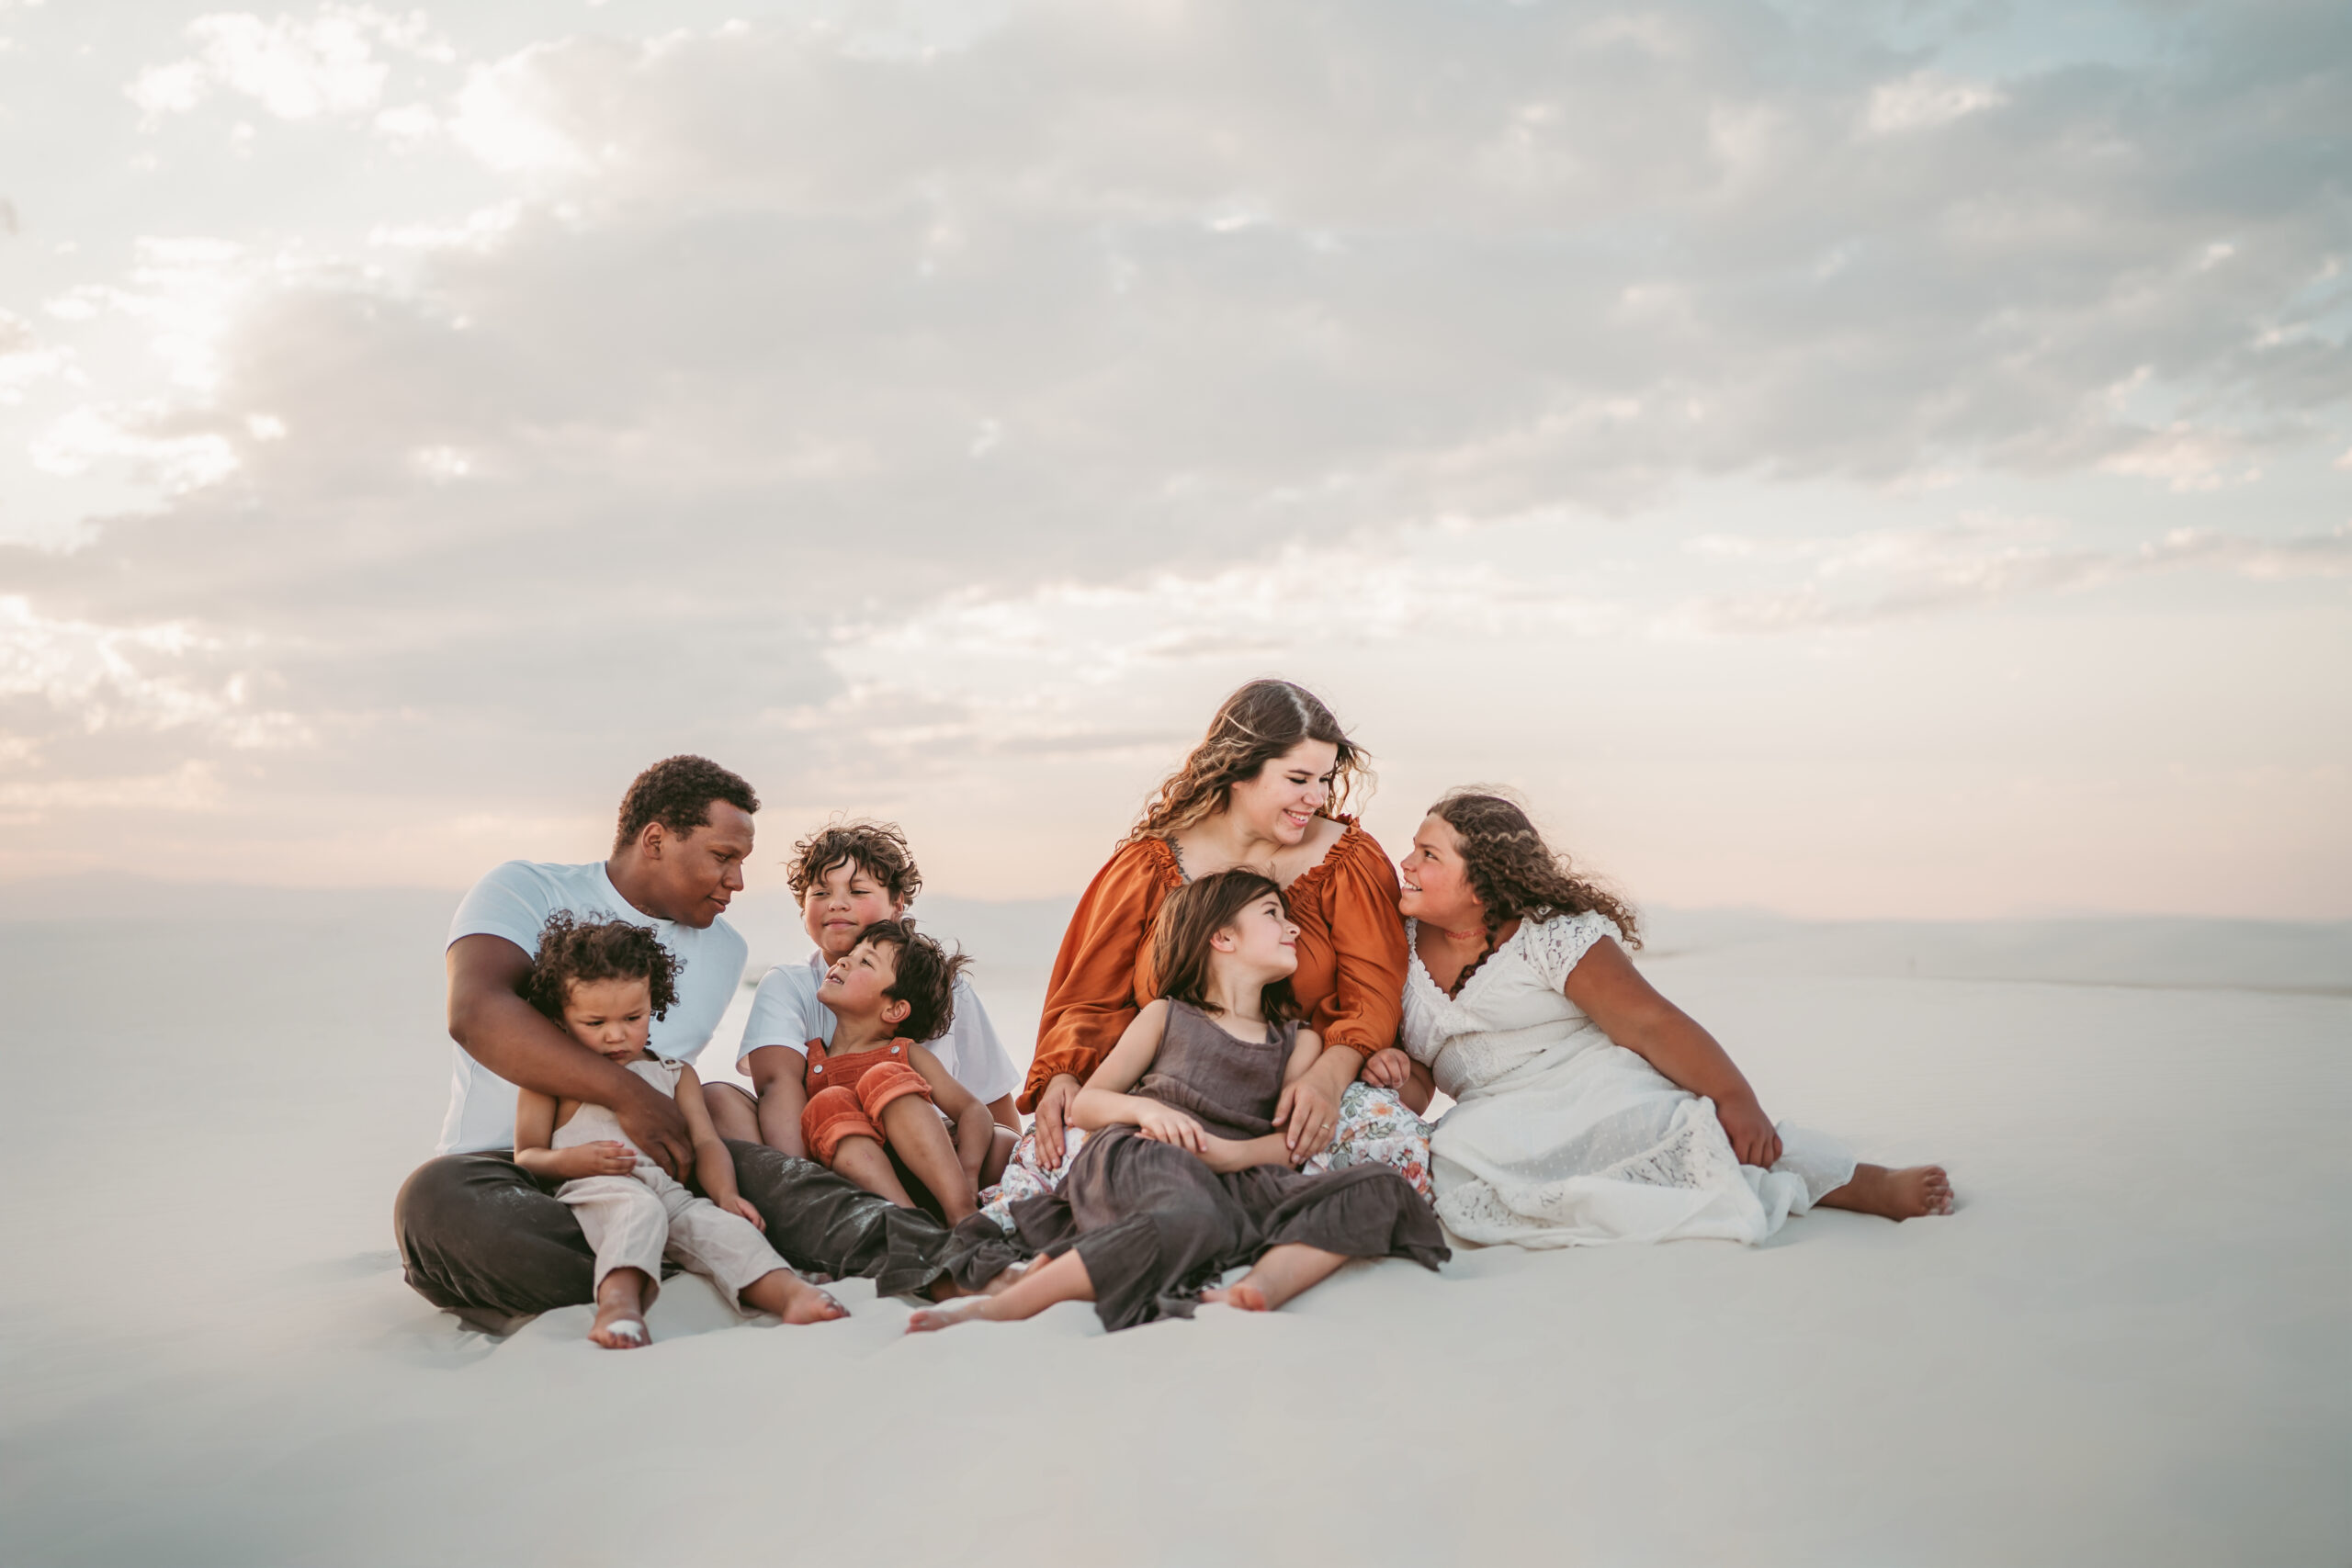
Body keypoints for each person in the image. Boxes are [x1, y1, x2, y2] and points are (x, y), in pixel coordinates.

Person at [393, 755, 1021, 1327]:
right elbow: (476, 1011)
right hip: (512, 1169)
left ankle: (948, 1266)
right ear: (656, 839)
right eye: (723, 856)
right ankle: (687, 1263)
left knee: (766, 1172)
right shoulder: (525, 888)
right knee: (432, 1202)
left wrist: (686, 1149)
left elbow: (681, 1087)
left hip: (663, 1168)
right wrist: (628, 1094)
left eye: (741, 862)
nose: (737, 881)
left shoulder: (723, 951)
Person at [1375, 790, 1954, 1248]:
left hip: (1590, 1085)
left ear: (1482, 882)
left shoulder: (1548, 936)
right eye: (1414, 849)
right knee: (1450, 1160)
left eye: (1429, 855)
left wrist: (1735, 1097)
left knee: (1672, 1125)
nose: (1406, 863)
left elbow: (1650, 1022)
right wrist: (1401, 1075)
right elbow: (1424, 1080)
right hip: (1491, 1115)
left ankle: (1867, 1184)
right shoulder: (1394, 950)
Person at [910, 871, 1446, 1333]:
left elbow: (1291, 1143)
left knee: (1383, 1189)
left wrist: (1230, 1156)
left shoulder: (1298, 1041)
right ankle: (1005, 1309)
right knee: (1190, 1217)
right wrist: (1147, 1111)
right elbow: (1090, 1105)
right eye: (1272, 914)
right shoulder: (1167, 1016)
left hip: (1238, 1175)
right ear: (1221, 938)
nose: (1293, 928)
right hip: (1147, 1157)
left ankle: (1258, 1287)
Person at [1009, 679, 1430, 1202]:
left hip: (1305, 1084)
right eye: (1298, 778)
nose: (1316, 798)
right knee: (1049, 1171)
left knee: (1389, 1151)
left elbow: (1375, 994)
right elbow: (1089, 996)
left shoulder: (1350, 862)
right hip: (1170, 1089)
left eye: (1325, 779)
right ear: (1239, 770)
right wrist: (1063, 1076)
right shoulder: (1146, 867)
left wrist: (1326, 1078)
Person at [512, 914, 846, 1345]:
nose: (616, 1035)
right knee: (637, 1211)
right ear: (561, 1014)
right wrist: (571, 1161)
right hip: (599, 1188)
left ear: (654, 1003)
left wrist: (725, 1195)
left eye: (633, 1018)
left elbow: (706, 1141)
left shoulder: (674, 1074)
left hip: (671, 1194)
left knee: (722, 1228)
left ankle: (791, 1294)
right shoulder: (552, 1079)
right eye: (595, 1023)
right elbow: (527, 1156)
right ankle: (619, 1307)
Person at [708, 819, 1020, 1185]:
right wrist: (805, 1176)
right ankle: (807, 1200)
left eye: (857, 891)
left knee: (1003, 1142)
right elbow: (777, 1085)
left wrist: (1005, 1174)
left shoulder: (944, 987)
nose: (837, 904)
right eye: (820, 893)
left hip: (925, 1154)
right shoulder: (787, 984)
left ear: (897, 905)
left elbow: (992, 1099)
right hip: (816, 1150)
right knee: (719, 1100)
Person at [791, 921, 995, 1224]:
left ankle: (962, 1214)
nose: (844, 960)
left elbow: (974, 1110)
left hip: (928, 1178)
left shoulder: (904, 1054)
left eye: (865, 961)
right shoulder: (809, 1059)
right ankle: (910, 1224)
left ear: (895, 1010)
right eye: (851, 953)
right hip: (873, 1195)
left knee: (883, 1075)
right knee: (828, 1101)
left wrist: (968, 1173)